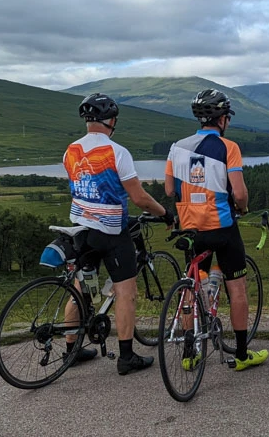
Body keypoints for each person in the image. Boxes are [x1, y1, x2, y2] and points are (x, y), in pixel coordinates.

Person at [64, 93, 175, 375]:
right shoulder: (117, 152)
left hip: (80, 227)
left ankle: (71, 349)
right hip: (111, 230)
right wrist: (165, 213)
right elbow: (139, 198)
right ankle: (126, 357)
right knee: (126, 291)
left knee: (80, 288)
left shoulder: (71, 150)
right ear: (111, 120)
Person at [165, 88, 269, 371]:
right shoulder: (228, 147)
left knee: (192, 287)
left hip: (190, 230)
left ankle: (190, 353)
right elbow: (240, 193)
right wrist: (243, 208)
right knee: (238, 289)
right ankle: (242, 355)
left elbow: (168, 189)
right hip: (221, 228)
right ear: (222, 119)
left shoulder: (177, 147)